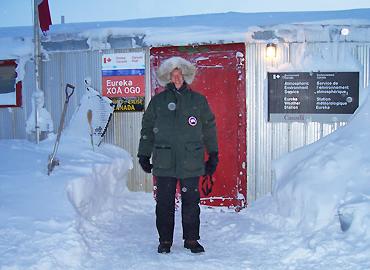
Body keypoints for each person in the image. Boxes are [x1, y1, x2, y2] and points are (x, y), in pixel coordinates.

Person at [137, 57, 219, 254]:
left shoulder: (198, 101)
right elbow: (147, 129)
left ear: (185, 76)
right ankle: (165, 240)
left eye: (180, 74)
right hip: (164, 161)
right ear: (168, 78)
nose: (177, 78)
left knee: (191, 203)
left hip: (191, 160)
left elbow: (209, 128)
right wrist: (143, 154)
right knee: (164, 203)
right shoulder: (158, 102)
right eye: (173, 75)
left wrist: (213, 154)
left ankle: (191, 239)